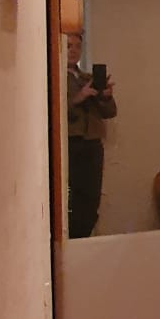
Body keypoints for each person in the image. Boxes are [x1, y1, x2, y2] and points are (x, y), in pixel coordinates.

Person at [67, 30, 116, 237]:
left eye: (78, 46)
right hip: (70, 144)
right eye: (68, 46)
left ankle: (83, 239)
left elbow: (110, 112)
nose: (73, 51)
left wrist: (105, 96)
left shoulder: (89, 79)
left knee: (91, 199)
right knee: (71, 200)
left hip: (92, 144)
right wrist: (79, 97)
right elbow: (52, 112)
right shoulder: (53, 79)